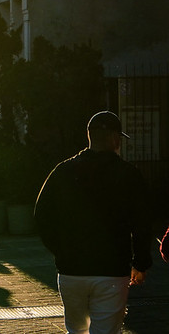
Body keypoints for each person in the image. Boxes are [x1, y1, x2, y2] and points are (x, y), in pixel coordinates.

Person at [34, 111, 152, 334]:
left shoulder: (63, 171)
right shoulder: (128, 175)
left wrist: (61, 249)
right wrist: (141, 262)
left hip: (71, 270)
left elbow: (42, 215)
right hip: (112, 270)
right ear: (115, 139)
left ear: (89, 136)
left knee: (76, 330)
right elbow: (142, 221)